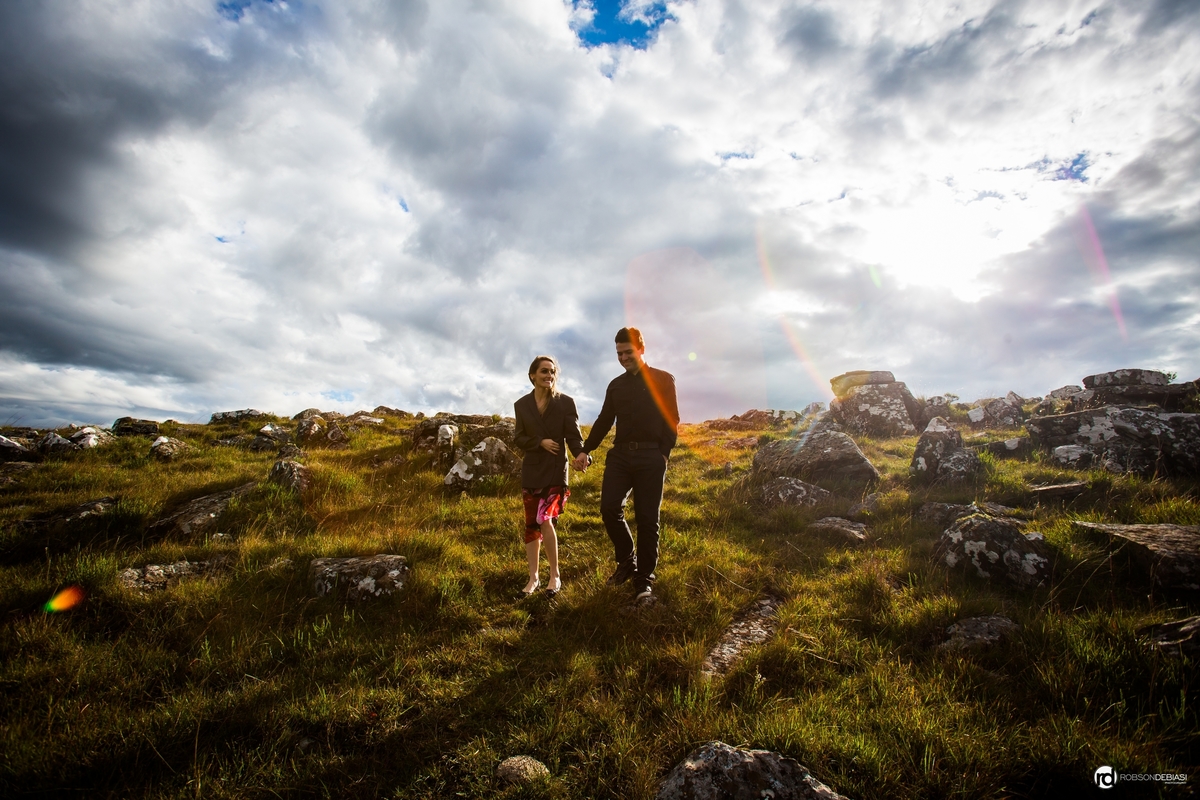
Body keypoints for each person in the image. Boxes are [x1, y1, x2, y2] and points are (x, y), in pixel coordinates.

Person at [572, 327, 679, 603]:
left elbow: (672, 419)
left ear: (641, 349)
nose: (623, 358)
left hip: (650, 457)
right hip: (620, 456)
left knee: (647, 519)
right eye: (619, 353)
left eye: (628, 352)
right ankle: (626, 562)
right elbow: (604, 420)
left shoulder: (663, 379)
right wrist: (585, 450)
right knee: (609, 508)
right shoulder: (615, 385)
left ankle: (644, 580)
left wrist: (663, 454)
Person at [512, 355, 586, 599]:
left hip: (555, 470)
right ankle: (533, 578)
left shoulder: (565, 403)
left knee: (545, 519)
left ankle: (555, 575)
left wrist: (581, 455)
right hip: (532, 470)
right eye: (544, 371)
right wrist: (539, 442)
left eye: (552, 372)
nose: (549, 375)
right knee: (531, 524)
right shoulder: (521, 405)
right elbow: (519, 438)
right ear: (532, 375)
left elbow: (573, 436)